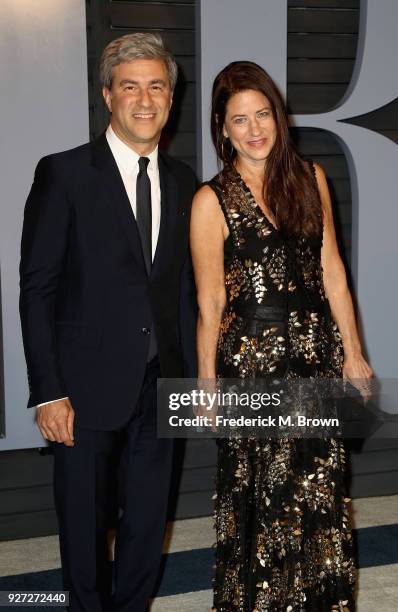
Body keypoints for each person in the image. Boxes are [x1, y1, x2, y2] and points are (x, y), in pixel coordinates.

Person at [19, 33, 197, 612]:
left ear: (171, 98)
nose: (145, 100)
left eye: (156, 86)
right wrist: (48, 391)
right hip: (84, 389)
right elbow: (37, 290)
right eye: (130, 86)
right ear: (107, 96)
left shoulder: (184, 181)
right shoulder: (65, 174)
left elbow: (187, 292)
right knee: (85, 529)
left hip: (161, 387)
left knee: (148, 527)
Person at [190, 61, 373, 611]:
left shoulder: (310, 178)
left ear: (278, 114)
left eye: (262, 114)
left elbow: (333, 271)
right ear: (222, 129)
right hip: (250, 366)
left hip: (316, 357)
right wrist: (206, 383)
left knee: (319, 492)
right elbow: (210, 301)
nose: (254, 129)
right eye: (239, 120)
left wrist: (355, 353)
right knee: (264, 499)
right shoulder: (210, 201)